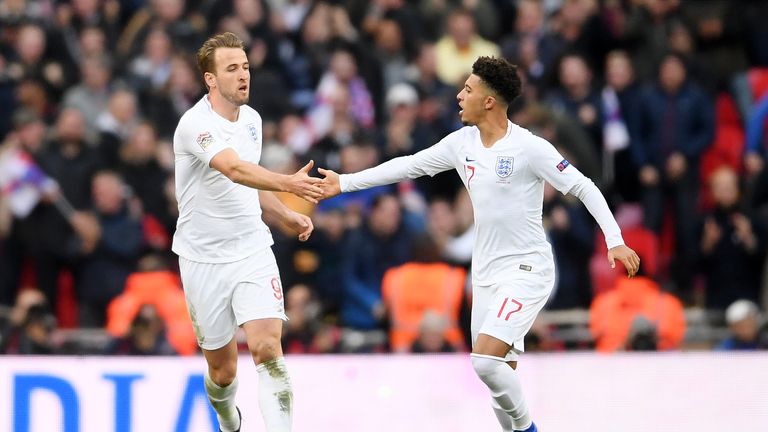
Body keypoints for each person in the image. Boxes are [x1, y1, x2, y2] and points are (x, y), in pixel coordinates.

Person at [319, 56, 640, 432]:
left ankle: (527, 430)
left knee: (485, 362)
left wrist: (614, 239)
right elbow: (408, 165)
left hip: (527, 269)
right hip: (485, 272)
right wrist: (345, 182)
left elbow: (584, 185)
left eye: (467, 90)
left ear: (488, 101)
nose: (459, 96)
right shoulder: (462, 143)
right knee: (499, 376)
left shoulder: (529, 147)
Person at [172, 32, 323, 432]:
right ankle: (226, 418)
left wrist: (283, 215)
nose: (243, 76)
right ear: (210, 79)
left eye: (246, 67)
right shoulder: (195, 125)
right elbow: (234, 169)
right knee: (222, 372)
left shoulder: (252, 120)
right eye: (232, 69)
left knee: (267, 348)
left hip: (252, 248)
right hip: (202, 257)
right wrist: (288, 185)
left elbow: (248, 186)